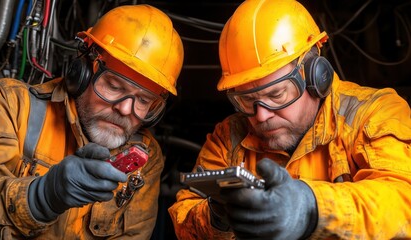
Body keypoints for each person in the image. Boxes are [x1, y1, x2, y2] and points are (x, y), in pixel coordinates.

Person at [168, 0, 411, 239]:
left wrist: (311, 208)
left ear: (317, 76)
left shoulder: (375, 114)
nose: (261, 115)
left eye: (276, 94)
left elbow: (402, 202)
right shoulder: (228, 138)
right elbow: (185, 220)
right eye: (247, 100)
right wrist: (218, 216)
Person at [0, 4, 183, 239]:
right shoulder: (8, 104)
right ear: (82, 71)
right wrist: (42, 197)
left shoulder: (146, 158)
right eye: (114, 86)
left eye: (144, 100)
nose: (125, 109)